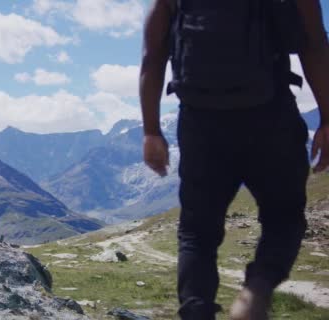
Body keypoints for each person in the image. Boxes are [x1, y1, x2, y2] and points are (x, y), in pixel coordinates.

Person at [140, 0, 329, 319]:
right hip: (271, 116)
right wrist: (326, 118)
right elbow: (314, 44)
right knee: (283, 218)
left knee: (197, 232)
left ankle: (197, 311)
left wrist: (151, 131)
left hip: (201, 123)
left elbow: (152, 55)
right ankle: (257, 289)